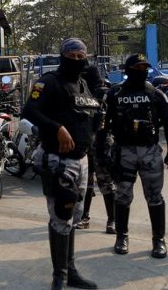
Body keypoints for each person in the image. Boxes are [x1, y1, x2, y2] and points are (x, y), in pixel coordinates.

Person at [23, 38, 99, 290]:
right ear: (62, 56)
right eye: (72, 56)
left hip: (82, 159)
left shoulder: (83, 84)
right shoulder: (49, 82)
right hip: (57, 159)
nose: (77, 61)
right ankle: (60, 276)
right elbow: (30, 110)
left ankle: (71, 271)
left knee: (73, 217)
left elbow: (90, 114)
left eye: (81, 56)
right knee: (60, 215)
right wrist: (57, 128)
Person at [102, 53, 168, 258]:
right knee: (123, 195)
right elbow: (104, 125)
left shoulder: (156, 94)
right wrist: (102, 152)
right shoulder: (114, 94)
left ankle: (159, 240)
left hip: (150, 152)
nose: (142, 71)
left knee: (154, 197)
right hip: (123, 151)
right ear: (127, 70)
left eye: (145, 67)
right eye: (137, 67)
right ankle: (121, 236)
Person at [74, 62, 116, 234]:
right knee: (88, 183)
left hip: (101, 143)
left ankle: (111, 219)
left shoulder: (103, 94)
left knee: (102, 182)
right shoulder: (82, 93)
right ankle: (88, 217)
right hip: (86, 144)